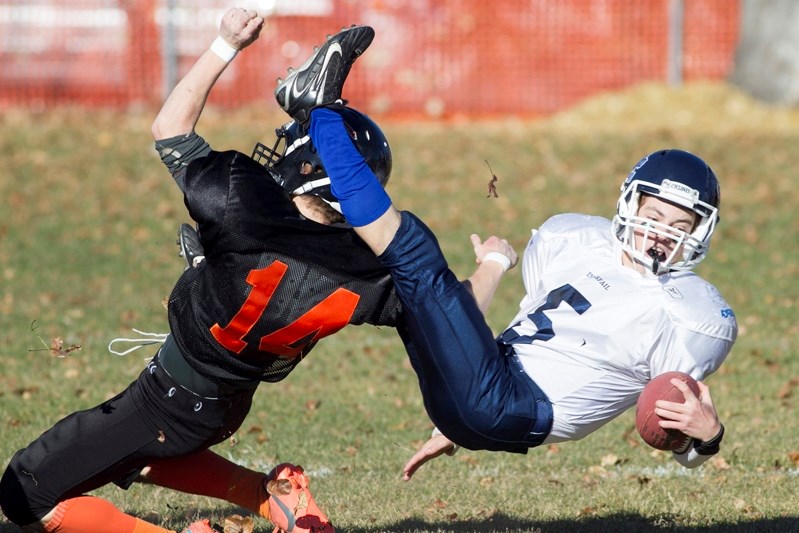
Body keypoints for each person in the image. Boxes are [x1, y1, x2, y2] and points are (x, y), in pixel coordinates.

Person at [0, 8, 408, 533]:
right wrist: (490, 264)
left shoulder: (247, 209)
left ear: (308, 169)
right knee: (136, 455)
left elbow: (169, 128)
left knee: (24, 491)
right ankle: (270, 497)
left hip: (171, 399)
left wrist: (225, 44)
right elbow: (288, 285)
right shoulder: (364, 268)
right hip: (223, 404)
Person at [301, 106, 738, 480]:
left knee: (415, 257)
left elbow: (681, 440)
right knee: (396, 287)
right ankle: (296, 260)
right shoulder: (574, 238)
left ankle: (319, 115)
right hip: (476, 387)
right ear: (630, 205)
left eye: (680, 228)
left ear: (701, 233)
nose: (661, 236)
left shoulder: (690, 313)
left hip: (511, 406)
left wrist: (709, 436)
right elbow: (481, 322)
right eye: (655, 216)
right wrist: (454, 419)